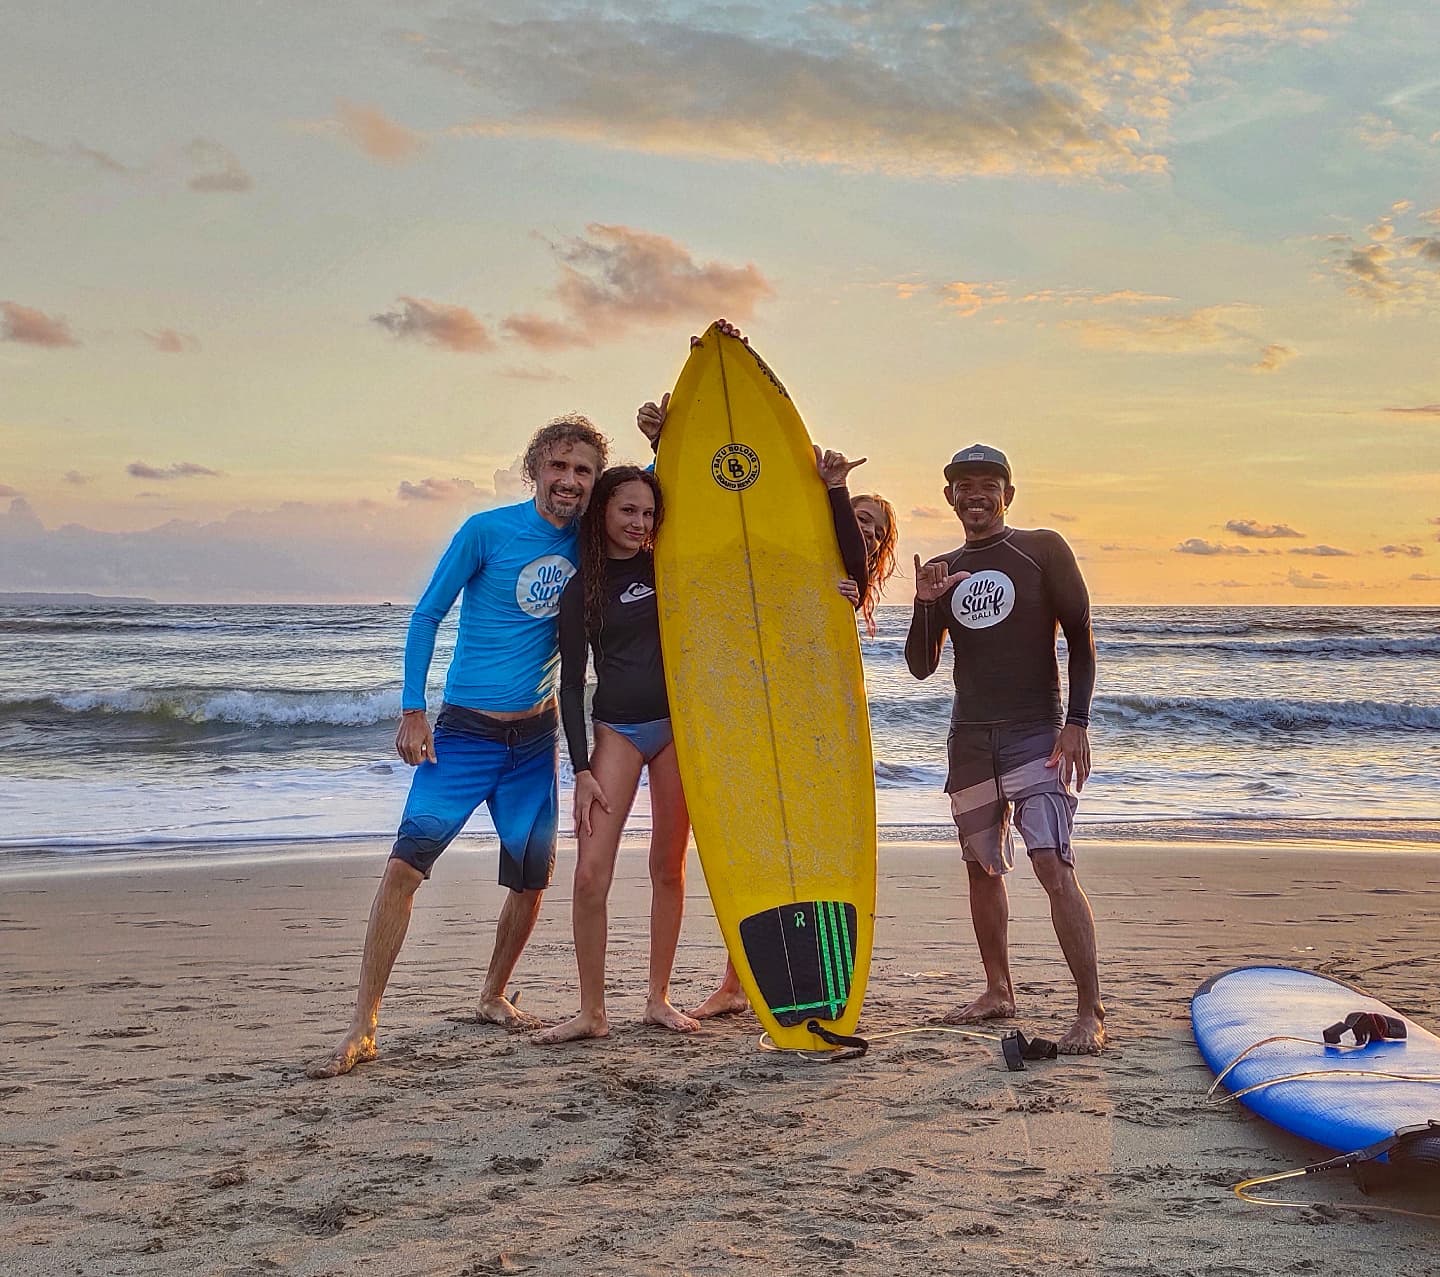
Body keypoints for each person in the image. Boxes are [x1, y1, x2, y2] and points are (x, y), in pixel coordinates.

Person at [306, 415, 608, 1079]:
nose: (569, 480)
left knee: (532, 880)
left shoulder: (592, 543)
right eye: (558, 467)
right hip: (467, 734)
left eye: (583, 470)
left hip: (534, 739)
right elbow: (426, 614)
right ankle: (364, 1024)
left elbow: (655, 503)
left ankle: (493, 992)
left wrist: (664, 435)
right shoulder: (486, 531)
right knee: (402, 871)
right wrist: (413, 709)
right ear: (535, 469)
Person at [904, 443, 1105, 1054]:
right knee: (982, 866)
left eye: (988, 484)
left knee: (1051, 863)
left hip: (1035, 732)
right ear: (949, 498)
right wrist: (924, 604)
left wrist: (1077, 722)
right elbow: (919, 666)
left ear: (1008, 495)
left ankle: (1090, 1011)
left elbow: (1081, 639)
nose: (975, 495)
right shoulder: (942, 567)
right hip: (970, 739)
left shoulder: (1042, 549)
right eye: (964, 486)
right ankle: (998, 990)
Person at [534, 466, 696, 1043]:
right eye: (628, 510)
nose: (639, 522)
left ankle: (658, 997)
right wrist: (579, 767)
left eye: (649, 513)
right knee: (589, 875)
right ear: (603, 510)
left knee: (667, 867)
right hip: (617, 734)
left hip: (677, 731)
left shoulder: (668, 566)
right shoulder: (581, 590)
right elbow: (571, 684)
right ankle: (592, 1012)